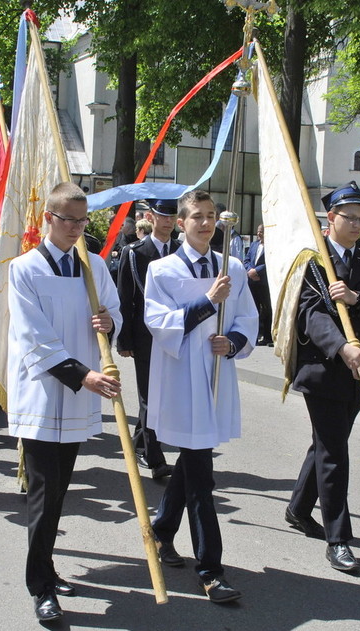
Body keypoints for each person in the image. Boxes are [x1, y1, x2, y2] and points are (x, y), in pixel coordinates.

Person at [5, 182, 121, 622]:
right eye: (67, 219)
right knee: (43, 493)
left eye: (81, 220)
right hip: (44, 393)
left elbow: (114, 312)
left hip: (78, 398)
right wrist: (82, 375)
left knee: (58, 492)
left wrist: (110, 320)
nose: (75, 228)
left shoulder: (93, 266)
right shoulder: (25, 269)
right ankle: (40, 586)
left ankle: (48, 568)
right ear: (48, 219)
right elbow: (34, 336)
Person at [144, 189, 258, 603]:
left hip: (215, 377)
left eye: (211, 216)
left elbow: (248, 316)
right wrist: (208, 302)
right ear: (180, 222)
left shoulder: (234, 267)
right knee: (201, 476)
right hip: (181, 380)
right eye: (197, 217)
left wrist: (233, 342)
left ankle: (160, 532)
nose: (206, 224)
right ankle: (211, 570)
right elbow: (159, 322)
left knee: (194, 462)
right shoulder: (162, 270)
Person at [284, 181, 360, 573]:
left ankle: (299, 509)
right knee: (335, 453)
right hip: (325, 369)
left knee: (326, 444)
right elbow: (310, 315)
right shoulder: (314, 262)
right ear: (330, 218)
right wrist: (341, 347)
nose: (357, 225)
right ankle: (339, 539)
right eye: (350, 218)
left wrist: (355, 300)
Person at [116, 199, 179, 481]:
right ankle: (156, 460)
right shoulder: (135, 252)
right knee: (150, 396)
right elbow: (125, 299)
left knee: (167, 395)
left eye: (172, 216)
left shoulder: (181, 251)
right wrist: (124, 339)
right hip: (146, 336)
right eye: (162, 216)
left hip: (177, 334)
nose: (168, 221)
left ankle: (141, 442)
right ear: (151, 217)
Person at [244, 223, 272, 346]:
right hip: (252, 282)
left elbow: (270, 262)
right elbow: (247, 259)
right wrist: (250, 270)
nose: (259, 234)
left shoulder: (272, 246)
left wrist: (257, 271)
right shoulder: (254, 245)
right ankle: (253, 337)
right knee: (253, 309)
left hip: (264, 282)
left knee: (267, 309)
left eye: (262, 231)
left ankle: (267, 336)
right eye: (258, 231)